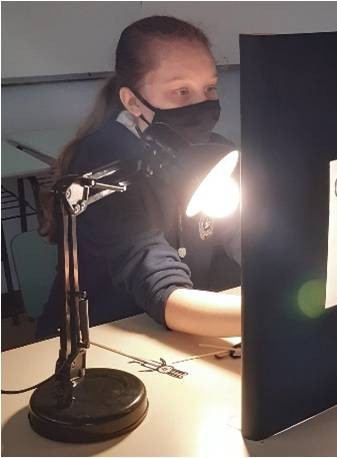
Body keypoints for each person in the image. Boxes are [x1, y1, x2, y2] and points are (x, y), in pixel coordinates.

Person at [37, 16, 241, 339]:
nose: (201, 105)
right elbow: (160, 286)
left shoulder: (215, 155)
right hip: (104, 340)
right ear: (132, 102)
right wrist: (266, 317)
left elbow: (245, 237)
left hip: (173, 334)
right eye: (182, 91)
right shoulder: (103, 168)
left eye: (209, 88)